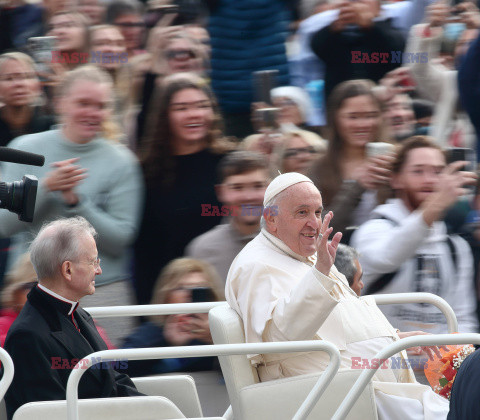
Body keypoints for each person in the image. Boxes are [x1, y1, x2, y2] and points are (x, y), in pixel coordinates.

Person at [226, 172, 450, 418]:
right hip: (330, 392)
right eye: (302, 212)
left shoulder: (305, 253)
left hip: (359, 382)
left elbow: (341, 322)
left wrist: (396, 338)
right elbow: (279, 341)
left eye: (318, 212)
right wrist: (321, 272)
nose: (314, 223)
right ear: (271, 218)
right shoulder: (255, 265)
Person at [0, 65, 144, 344]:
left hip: (102, 293)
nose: (92, 113)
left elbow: (120, 238)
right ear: (61, 103)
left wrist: (77, 201)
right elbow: (4, 225)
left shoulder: (122, 161)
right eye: (83, 103)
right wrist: (47, 187)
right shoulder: (24, 147)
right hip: (31, 293)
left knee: (108, 382)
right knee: (33, 381)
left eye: (101, 106)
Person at [4, 217, 143, 420]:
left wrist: (156, 409)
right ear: (67, 270)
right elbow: (48, 413)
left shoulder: (79, 314)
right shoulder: (27, 336)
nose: (99, 270)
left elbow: (113, 380)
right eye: (93, 261)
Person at [351, 136, 478, 334]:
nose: (429, 180)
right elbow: (387, 257)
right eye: (418, 171)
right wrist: (436, 205)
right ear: (396, 179)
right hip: (383, 360)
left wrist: (453, 360)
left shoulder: (456, 246)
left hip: (440, 363)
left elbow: (463, 318)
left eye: (438, 172)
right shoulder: (373, 229)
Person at [134, 72, 234, 305]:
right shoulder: (147, 173)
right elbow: (144, 254)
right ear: (164, 116)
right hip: (175, 297)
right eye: (182, 108)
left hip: (229, 287)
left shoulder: (229, 161)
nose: (195, 114)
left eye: (202, 106)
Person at [308, 79, 394, 240]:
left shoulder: (397, 158)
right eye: (353, 117)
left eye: (371, 115)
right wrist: (357, 187)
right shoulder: (319, 168)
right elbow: (316, 230)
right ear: (335, 119)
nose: (363, 124)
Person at [122, 257, 224, 377]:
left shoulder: (225, 329)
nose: (189, 294)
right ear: (166, 295)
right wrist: (164, 341)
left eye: (199, 288)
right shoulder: (153, 331)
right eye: (181, 288)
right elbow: (117, 367)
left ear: (212, 295)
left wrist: (215, 338)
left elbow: (244, 371)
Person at [185, 151, 269, 281]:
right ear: (221, 192)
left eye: (258, 186)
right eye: (237, 187)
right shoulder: (203, 250)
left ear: (270, 188)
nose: (248, 197)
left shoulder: (291, 242)